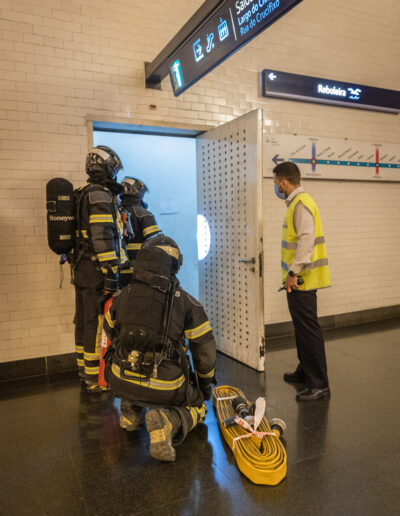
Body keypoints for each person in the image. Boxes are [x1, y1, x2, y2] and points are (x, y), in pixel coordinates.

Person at [103, 234, 217, 461]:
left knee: (133, 383)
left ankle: (130, 410)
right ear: (175, 264)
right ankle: (168, 421)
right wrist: (204, 385)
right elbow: (204, 350)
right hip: (165, 385)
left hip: (119, 376)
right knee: (199, 407)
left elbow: (109, 330)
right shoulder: (186, 302)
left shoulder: (124, 295)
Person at [72, 145, 129, 393]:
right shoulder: (101, 196)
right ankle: (95, 378)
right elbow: (103, 237)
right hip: (97, 271)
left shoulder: (83, 192)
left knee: (83, 321)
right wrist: (111, 272)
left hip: (82, 268)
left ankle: (84, 370)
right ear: (107, 167)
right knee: (96, 324)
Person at [273, 161, 331, 401]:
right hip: (299, 279)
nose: (276, 187)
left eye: (277, 183)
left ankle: (319, 384)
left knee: (308, 332)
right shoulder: (296, 203)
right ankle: (304, 371)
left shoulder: (301, 204)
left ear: (285, 182)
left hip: (302, 280)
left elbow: (306, 243)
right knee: (301, 330)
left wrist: (293, 272)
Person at [118, 177, 161, 286]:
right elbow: (156, 243)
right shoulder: (144, 214)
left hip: (119, 270)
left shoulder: (114, 212)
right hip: (140, 269)